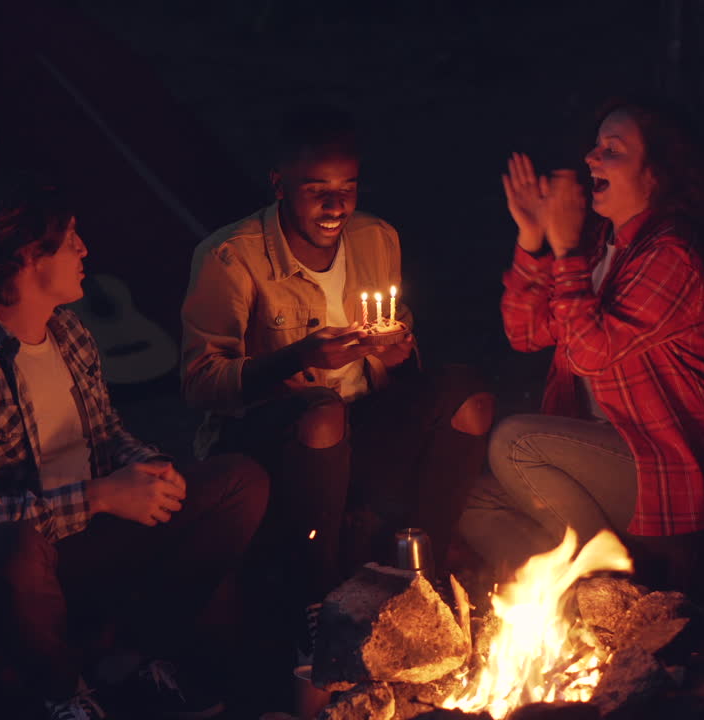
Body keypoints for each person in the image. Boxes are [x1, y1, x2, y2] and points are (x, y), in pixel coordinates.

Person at [0, 174, 268, 720]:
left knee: (238, 483)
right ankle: (64, 692)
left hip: (83, 540)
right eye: (70, 239)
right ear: (27, 255)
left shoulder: (66, 331)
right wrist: (99, 497)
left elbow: (106, 433)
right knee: (12, 547)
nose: (85, 249)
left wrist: (147, 468)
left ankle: (137, 657)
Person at [181, 105, 494, 621]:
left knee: (469, 396)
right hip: (270, 437)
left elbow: (397, 344)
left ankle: (424, 572)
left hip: (361, 420)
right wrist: (299, 356)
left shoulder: (377, 238)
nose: (335, 205)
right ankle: (319, 598)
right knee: (324, 410)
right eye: (315, 189)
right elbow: (200, 383)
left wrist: (397, 353)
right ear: (279, 185)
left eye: (347, 187)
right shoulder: (231, 258)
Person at [460, 98, 704, 592]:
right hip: (592, 461)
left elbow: (592, 351)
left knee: (515, 442)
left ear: (656, 174)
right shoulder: (599, 245)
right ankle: (585, 594)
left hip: (661, 471)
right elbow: (525, 335)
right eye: (595, 146)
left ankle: (618, 585)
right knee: (472, 503)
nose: (592, 158)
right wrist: (532, 239)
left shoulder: (673, 254)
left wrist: (564, 253)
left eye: (613, 150)